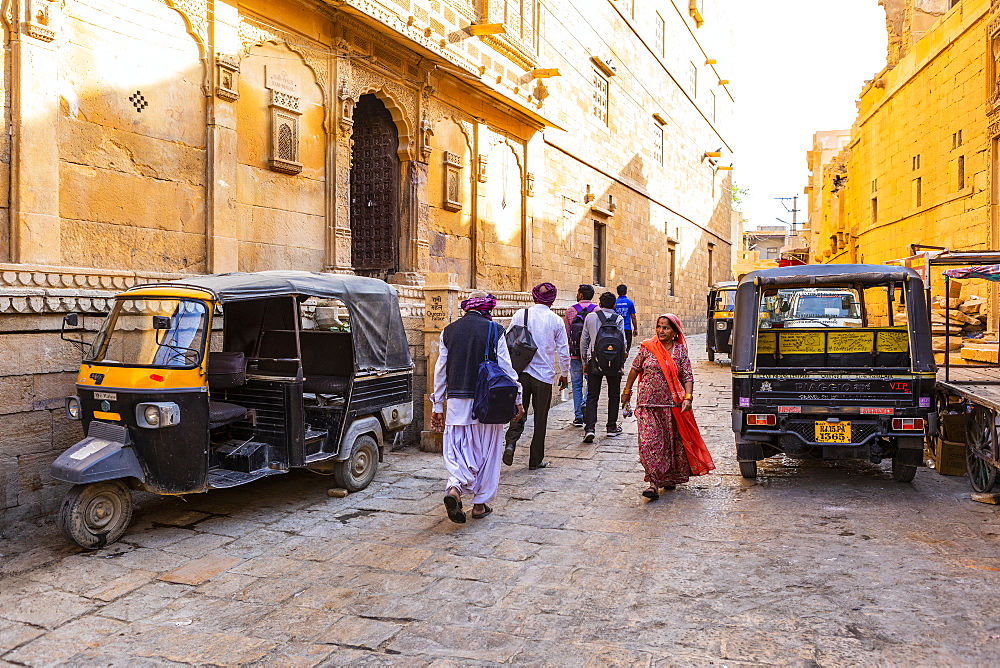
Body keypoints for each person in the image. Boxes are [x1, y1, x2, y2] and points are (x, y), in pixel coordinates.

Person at [430, 291, 524, 523]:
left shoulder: (448, 331)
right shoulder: (495, 331)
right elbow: (506, 369)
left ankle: (454, 489)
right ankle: (479, 505)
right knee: (487, 452)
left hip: (456, 402)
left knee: (458, 449)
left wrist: (437, 406)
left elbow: (440, 371)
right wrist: (518, 398)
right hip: (488, 403)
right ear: (488, 309)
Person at [620, 313, 715, 500]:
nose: (661, 331)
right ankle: (653, 483)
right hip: (647, 404)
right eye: (659, 326)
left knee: (671, 444)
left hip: (672, 405)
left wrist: (688, 397)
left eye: (666, 328)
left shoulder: (680, 351)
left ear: (674, 332)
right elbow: (635, 368)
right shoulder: (647, 348)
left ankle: (669, 477)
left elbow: (687, 376)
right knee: (651, 443)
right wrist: (627, 391)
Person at [503, 282, 570, 470]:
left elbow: (508, 340)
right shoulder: (556, 320)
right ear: (553, 299)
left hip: (521, 373)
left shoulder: (520, 314)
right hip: (544, 376)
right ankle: (535, 459)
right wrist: (564, 374)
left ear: (534, 297)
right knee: (541, 418)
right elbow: (564, 351)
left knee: (518, 411)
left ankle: (510, 443)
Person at [580, 291, 627, 443]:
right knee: (613, 395)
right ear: (614, 305)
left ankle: (590, 428)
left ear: (599, 304)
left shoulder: (591, 317)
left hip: (594, 361)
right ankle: (611, 427)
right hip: (614, 363)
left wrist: (584, 362)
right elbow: (623, 343)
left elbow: (584, 341)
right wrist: (621, 362)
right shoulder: (618, 318)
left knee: (592, 395)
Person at [563, 284, 596, 427]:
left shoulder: (570, 311)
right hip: (591, 356)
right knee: (591, 383)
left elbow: (566, 334)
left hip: (575, 354)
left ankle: (578, 417)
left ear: (581, 295)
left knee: (576, 385)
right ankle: (584, 403)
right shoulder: (597, 311)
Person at [614, 284, 638, 351]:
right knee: (627, 348)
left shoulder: (615, 303)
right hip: (627, 328)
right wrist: (635, 328)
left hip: (617, 328)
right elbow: (633, 317)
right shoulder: (630, 302)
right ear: (626, 291)